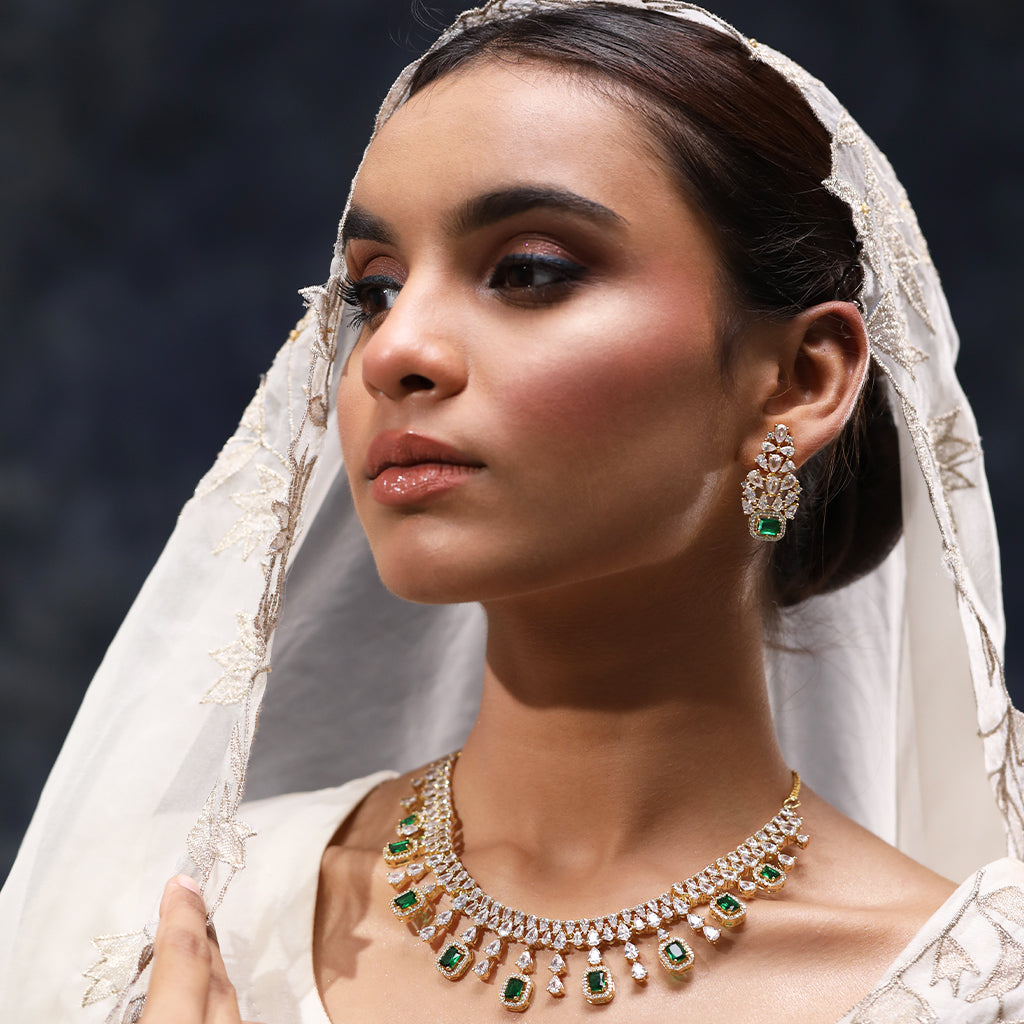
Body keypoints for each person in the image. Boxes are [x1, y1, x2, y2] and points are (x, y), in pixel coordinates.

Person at [2, 2, 1021, 1022]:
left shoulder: (975, 991)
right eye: (373, 292)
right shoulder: (155, 923)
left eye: (527, 272)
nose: (396, 350)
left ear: (799, 380)